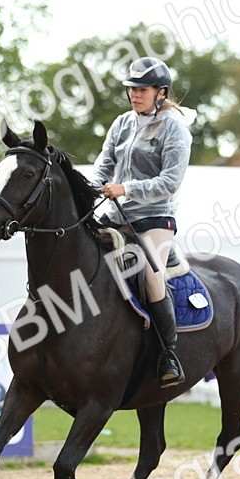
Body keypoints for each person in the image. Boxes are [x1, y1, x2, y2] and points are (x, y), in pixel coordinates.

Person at [94, 56, 193, 388]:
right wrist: (93, 188)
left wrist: (127, 189)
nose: (135, 95)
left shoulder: (174, 129)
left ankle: (169, 353)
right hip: (115, 215)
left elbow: (169, 182)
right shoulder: (121, 123)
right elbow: (103, 165)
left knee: (151, 274)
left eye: (142, 89)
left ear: (160, 93)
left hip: (155, 219)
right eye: (131, 89)